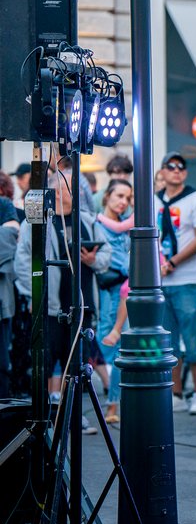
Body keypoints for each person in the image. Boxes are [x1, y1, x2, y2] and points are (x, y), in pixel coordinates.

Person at [15, 170, 111, 403]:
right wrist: (36, 294)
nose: (67, 195)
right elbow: (22, 261)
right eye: (64, 190)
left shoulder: (87, 221)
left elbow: (107, 254)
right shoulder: (38, 222)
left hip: (81, 306)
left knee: (78, 361)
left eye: (72, 190)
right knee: (47, 360)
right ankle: (47, 413)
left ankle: (73, 412)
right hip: (50, 307)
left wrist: (93, 260)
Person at [154, 152, 196, 415]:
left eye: (181, 167)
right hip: (160, 281)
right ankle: (175, 393)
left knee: (194, 338)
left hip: (188, 279)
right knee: (169, 341)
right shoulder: (153, 200)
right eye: (171, 166)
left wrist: (174, 262)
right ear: (162, 172)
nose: (176, 171)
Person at [95, 179, 132, 423]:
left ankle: (113, 405)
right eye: (119, 195)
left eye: (127, 198)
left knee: (121, 349)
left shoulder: (125, 226)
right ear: (107, 196)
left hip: (124, 293)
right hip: (103, 291)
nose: (123, 202)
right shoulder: (96, 224)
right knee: (100, 343)